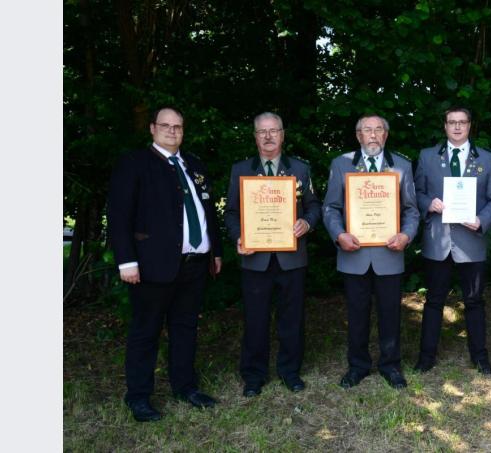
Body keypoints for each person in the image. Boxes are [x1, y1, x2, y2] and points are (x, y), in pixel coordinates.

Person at [108, 106, 223, 422]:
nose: (173, 131)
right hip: (150, 265)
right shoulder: (135, 164)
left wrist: (214, 251)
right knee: (146, 331)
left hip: (194, 263)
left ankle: (185, 387)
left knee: (186, 328)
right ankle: (139, 397)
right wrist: (126, 261)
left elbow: (207, 212)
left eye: (178, 126)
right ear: (152, 128)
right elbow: (119, 216)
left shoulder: (194, 164)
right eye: (166, 125)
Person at [224, 112, 322, 396]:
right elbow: (231, 212)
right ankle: (254, 375)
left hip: (292, 257)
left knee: (292, 317)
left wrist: (307, 222)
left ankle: (290, 371)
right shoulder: (240, 169)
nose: (268, 136)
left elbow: (314, 205)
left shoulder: (300, 169)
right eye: (262, 131)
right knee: (255, 318)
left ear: (282, 134)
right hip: (255, 257)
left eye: (273, 131)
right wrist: (239, 236)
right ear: (255, 136)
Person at [322, 114, 419, 389]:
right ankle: (358, 366)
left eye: (379, 130)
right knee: (356, 314)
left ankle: (390, 365)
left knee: (391, 313)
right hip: (354, 253)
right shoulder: (341, 164)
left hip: (390, 252)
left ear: (386, 135)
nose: (373, 135)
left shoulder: (401, 164)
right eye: (367, 130)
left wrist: (406, 235)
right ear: (358, 136)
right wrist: (339, 234)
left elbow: (411, 210)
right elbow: (330, 207)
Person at [412, 107, 491, 375]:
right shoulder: (428, 157)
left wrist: (482, 220)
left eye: (462, 122)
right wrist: (429, 203)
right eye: (451, 122)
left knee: (474, 301)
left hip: (471, 241)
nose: (456, 127)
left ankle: (480, 356)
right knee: (433, 301)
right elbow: (414, 193)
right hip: (437, 241)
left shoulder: (488, 159)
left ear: (470, 126)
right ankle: (426, 357)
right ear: (444, 126)